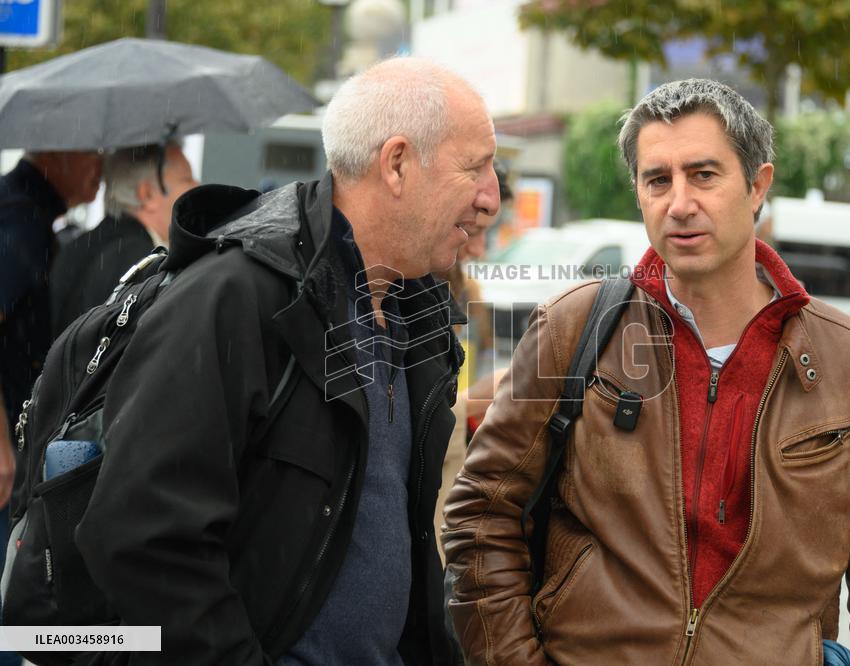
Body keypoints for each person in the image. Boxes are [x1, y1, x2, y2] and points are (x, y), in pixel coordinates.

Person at [442, 79, 850, 665]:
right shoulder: (571, 330)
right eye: (658, 180)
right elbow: (480, 518)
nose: (679, 203)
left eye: (704, 175)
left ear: (757, 186)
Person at [73, 57, 499, 664]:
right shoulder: (237, 297)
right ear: (398, 163)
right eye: (476, 168)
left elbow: (393, 533)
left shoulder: (419, 307)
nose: (492, 199)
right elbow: (142, 538)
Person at [0, 151, 101, 663]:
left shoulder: (29, 216)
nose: (99, 167)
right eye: (92, 154)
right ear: (57, 155)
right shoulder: (20, 222)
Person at [434, 165, 512, 556]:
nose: (480, 250)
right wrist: (475, 401)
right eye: (474, 231)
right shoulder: (400, 293)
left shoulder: (470, 293)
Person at [49, 142, 199, 334]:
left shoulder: (80, 244)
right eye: (187, 180)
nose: (197, 186)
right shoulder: (141, 260)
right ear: (148, 194)